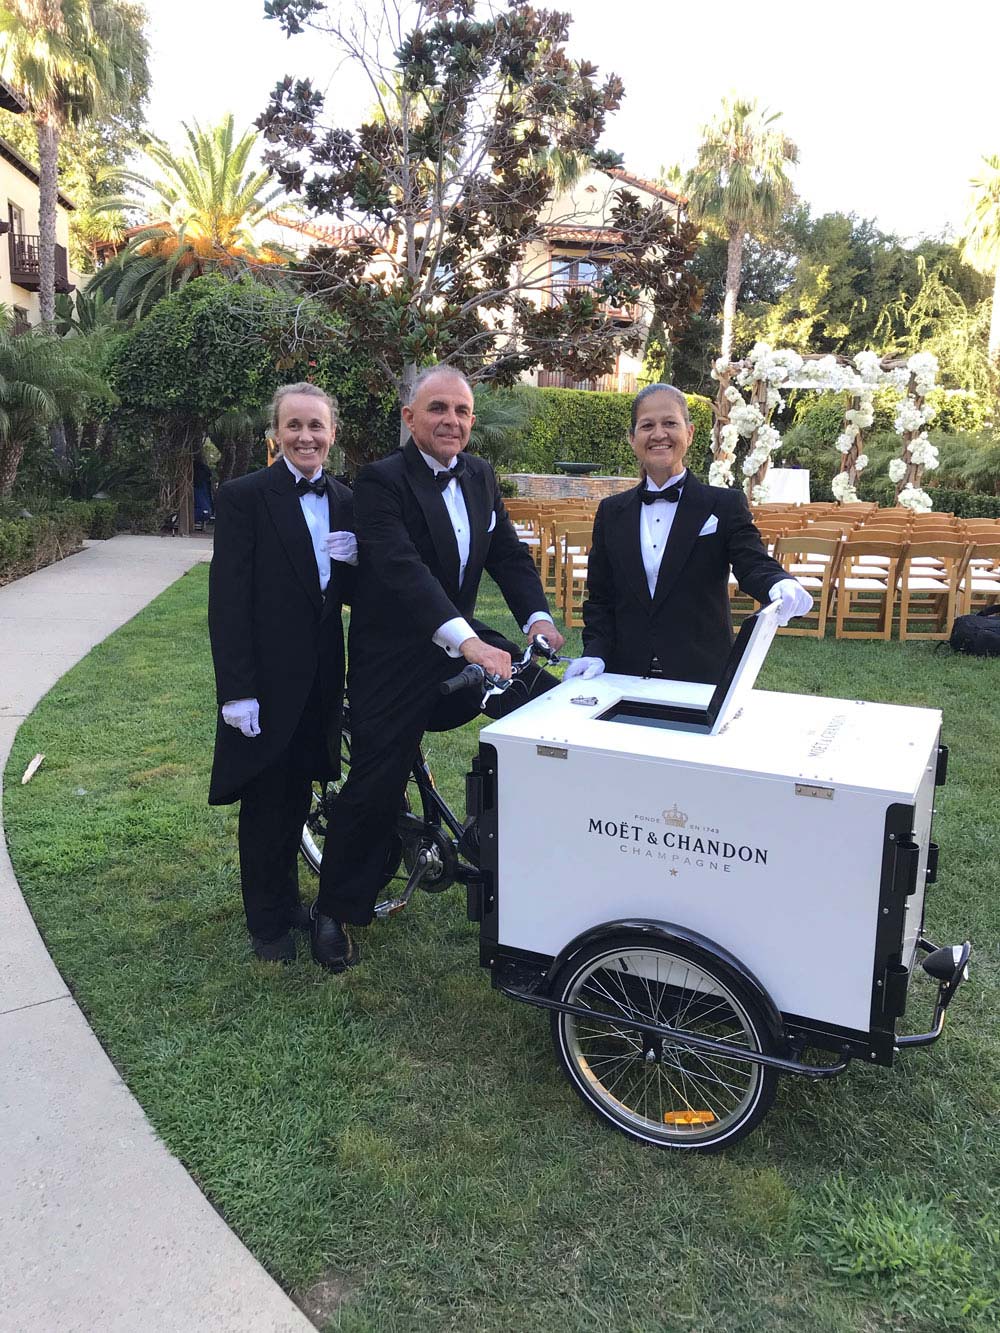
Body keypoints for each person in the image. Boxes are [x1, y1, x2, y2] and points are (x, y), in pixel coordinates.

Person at [311, 365, 565, 972]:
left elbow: (505, 552)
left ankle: (525, 856)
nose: (452, 420)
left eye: (462, 411)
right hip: (393, 660)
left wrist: (535, 618)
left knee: (547, 710)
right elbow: (402, 570)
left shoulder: (479, 475)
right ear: (410, 418)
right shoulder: (380, 481)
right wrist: (466, 641)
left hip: (464, 642)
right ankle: (333, 910)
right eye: (438, 410)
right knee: (375, 782)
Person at [208, 383, 358, 963]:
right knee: (266, 802)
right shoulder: (246, 496)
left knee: (297, 797)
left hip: (321, 679)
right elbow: (229, 601)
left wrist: (355, 565)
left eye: (316, 426)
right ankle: (265, 920)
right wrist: (237, 691)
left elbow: (342, 597)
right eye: (293, 425)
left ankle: (289, 898)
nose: (305, 436)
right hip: (266, 682)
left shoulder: (344, 500)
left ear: (332, 433)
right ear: (276, 433)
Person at [566, 383, 811, 685]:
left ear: (690, 433)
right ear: (632, 438)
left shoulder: (723, 504)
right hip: (623, 673)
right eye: (647, 426)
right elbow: (601, 598)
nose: (658, 434)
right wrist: (596, 652)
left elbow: (752, 562)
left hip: (701, 672)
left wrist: (779, 583)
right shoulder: (611, 511)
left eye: (670, 423)